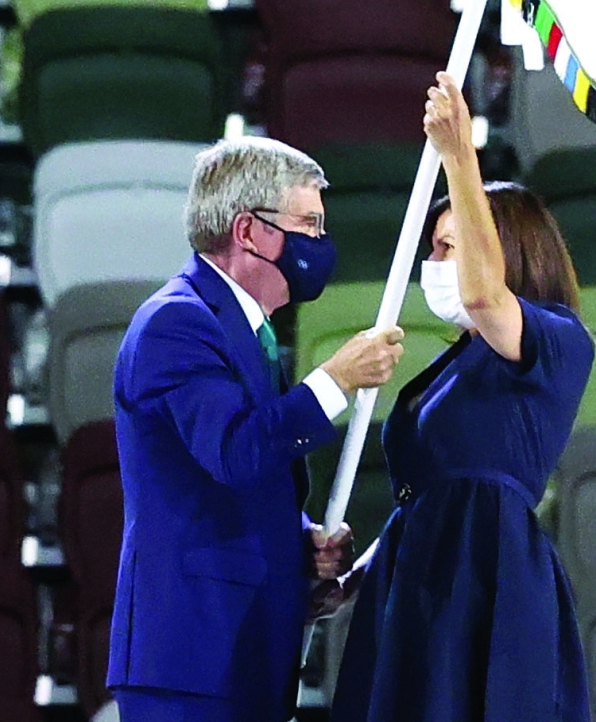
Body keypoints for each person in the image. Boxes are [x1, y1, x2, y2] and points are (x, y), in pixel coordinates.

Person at [107, 137, 405, 722]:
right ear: (248, 231)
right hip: (191, 660)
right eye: (308, 224)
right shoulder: (177, 322)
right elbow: (235, 450)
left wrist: (299, 550)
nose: (320, 243)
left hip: (243, 658)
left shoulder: (251, 332)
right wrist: (333, 382)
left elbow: (226, 484)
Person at [329, 73, 594, 722]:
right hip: (416, 589)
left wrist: (460, 157)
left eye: (452, 245)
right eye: (436, 247)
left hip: (488, 584)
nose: (438, 260)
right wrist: (351, 578)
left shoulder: (556, 340)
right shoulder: (458, 360)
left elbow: (483, 296)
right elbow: (425, 498)